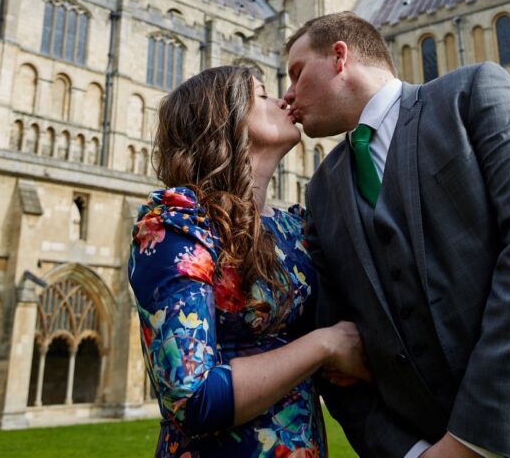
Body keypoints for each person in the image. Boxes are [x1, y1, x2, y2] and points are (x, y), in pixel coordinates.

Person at [284, 12, 510, 458]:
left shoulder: (472, 94)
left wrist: (474, 439)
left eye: (297, 73)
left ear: (340, 57)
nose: (287, 95)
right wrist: (411, 453)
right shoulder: (321, 190)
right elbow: (336, 358)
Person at [128, 65, 369, 458]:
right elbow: (193, 398)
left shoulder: (295, 227)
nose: (283, 99)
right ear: (225, 120)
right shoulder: (176, 225)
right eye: (261, 94)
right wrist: (325, 346)